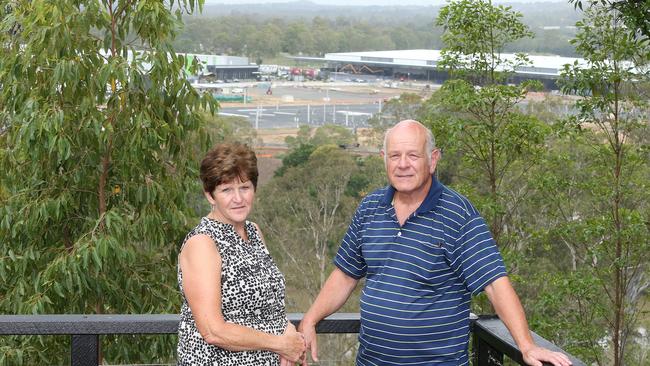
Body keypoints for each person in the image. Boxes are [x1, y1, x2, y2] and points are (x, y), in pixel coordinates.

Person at [298, 120, 572, 366]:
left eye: (413, 155)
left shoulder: (457, 214)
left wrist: (526, 346)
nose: (402, 164)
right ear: (384, 159)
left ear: (433, 159)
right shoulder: (370, 208)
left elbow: (494, 283)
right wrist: (310, 319)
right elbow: (345, 275)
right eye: (395, 155)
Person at [176, 142, 305, 366]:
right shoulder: (203, 243)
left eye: (244, 187)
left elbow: (271, 301)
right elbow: (213, 331)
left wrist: (289, 335)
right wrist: (280, 344)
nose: (238, 198)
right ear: (210, 195)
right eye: (226, 190)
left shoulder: (254, 232)